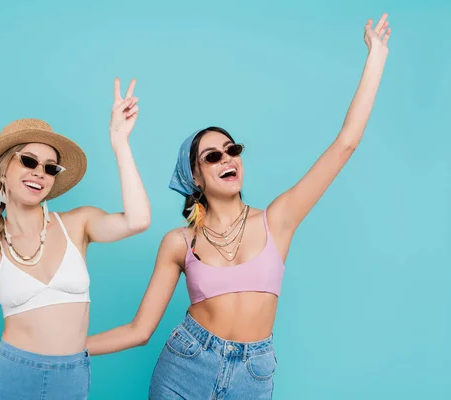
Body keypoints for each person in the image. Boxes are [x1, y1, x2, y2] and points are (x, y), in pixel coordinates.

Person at [86, 14, 392, 399]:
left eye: (232, 150)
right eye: (212, 156)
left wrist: (376, 56)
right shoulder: (179, 243)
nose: (227, 159)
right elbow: (139, 330)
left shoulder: (278, 219)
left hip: (253, 375)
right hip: (185, 366)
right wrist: (67, 347)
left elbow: (345, 143)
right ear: (195, 177)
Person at [0, 78, 150, 399]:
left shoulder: (78, 223)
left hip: (72, 377)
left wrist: (120, 141)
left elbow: (138, 220)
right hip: (11, 377)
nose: (40, 172)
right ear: (3, 171)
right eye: (28, 160)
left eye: (50, 168)